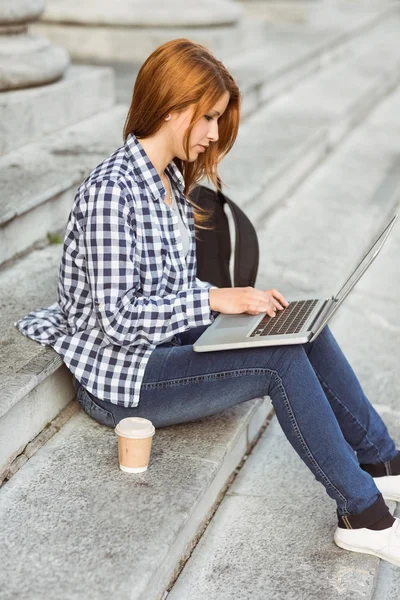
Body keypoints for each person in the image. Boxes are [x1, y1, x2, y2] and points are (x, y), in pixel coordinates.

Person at [15, 38, 400, 567]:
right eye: (210, 117)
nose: (216, 134)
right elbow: (119, 319)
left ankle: (382, 461)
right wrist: (216, 298)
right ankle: (364, 515)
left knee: (294, 326)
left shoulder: (168, 180)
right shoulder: (111, 192)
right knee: (279, 359)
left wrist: (239, 302)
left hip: (161, 344)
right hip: (122, 378)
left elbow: (173, 287)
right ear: (174, 108)